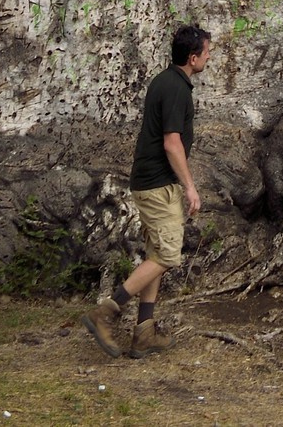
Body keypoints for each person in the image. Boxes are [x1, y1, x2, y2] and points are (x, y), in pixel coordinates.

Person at [84, 23, 211, 360]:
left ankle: (144, 332)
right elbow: (172, 143)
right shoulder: (176, 89)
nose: (209, 59)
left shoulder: (167, 81)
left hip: (154, 183)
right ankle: (107, 312)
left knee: (157, 256)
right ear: (193, 56)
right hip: (157, 186)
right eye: (207, 53)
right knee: (168, 256)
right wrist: (190, 187)